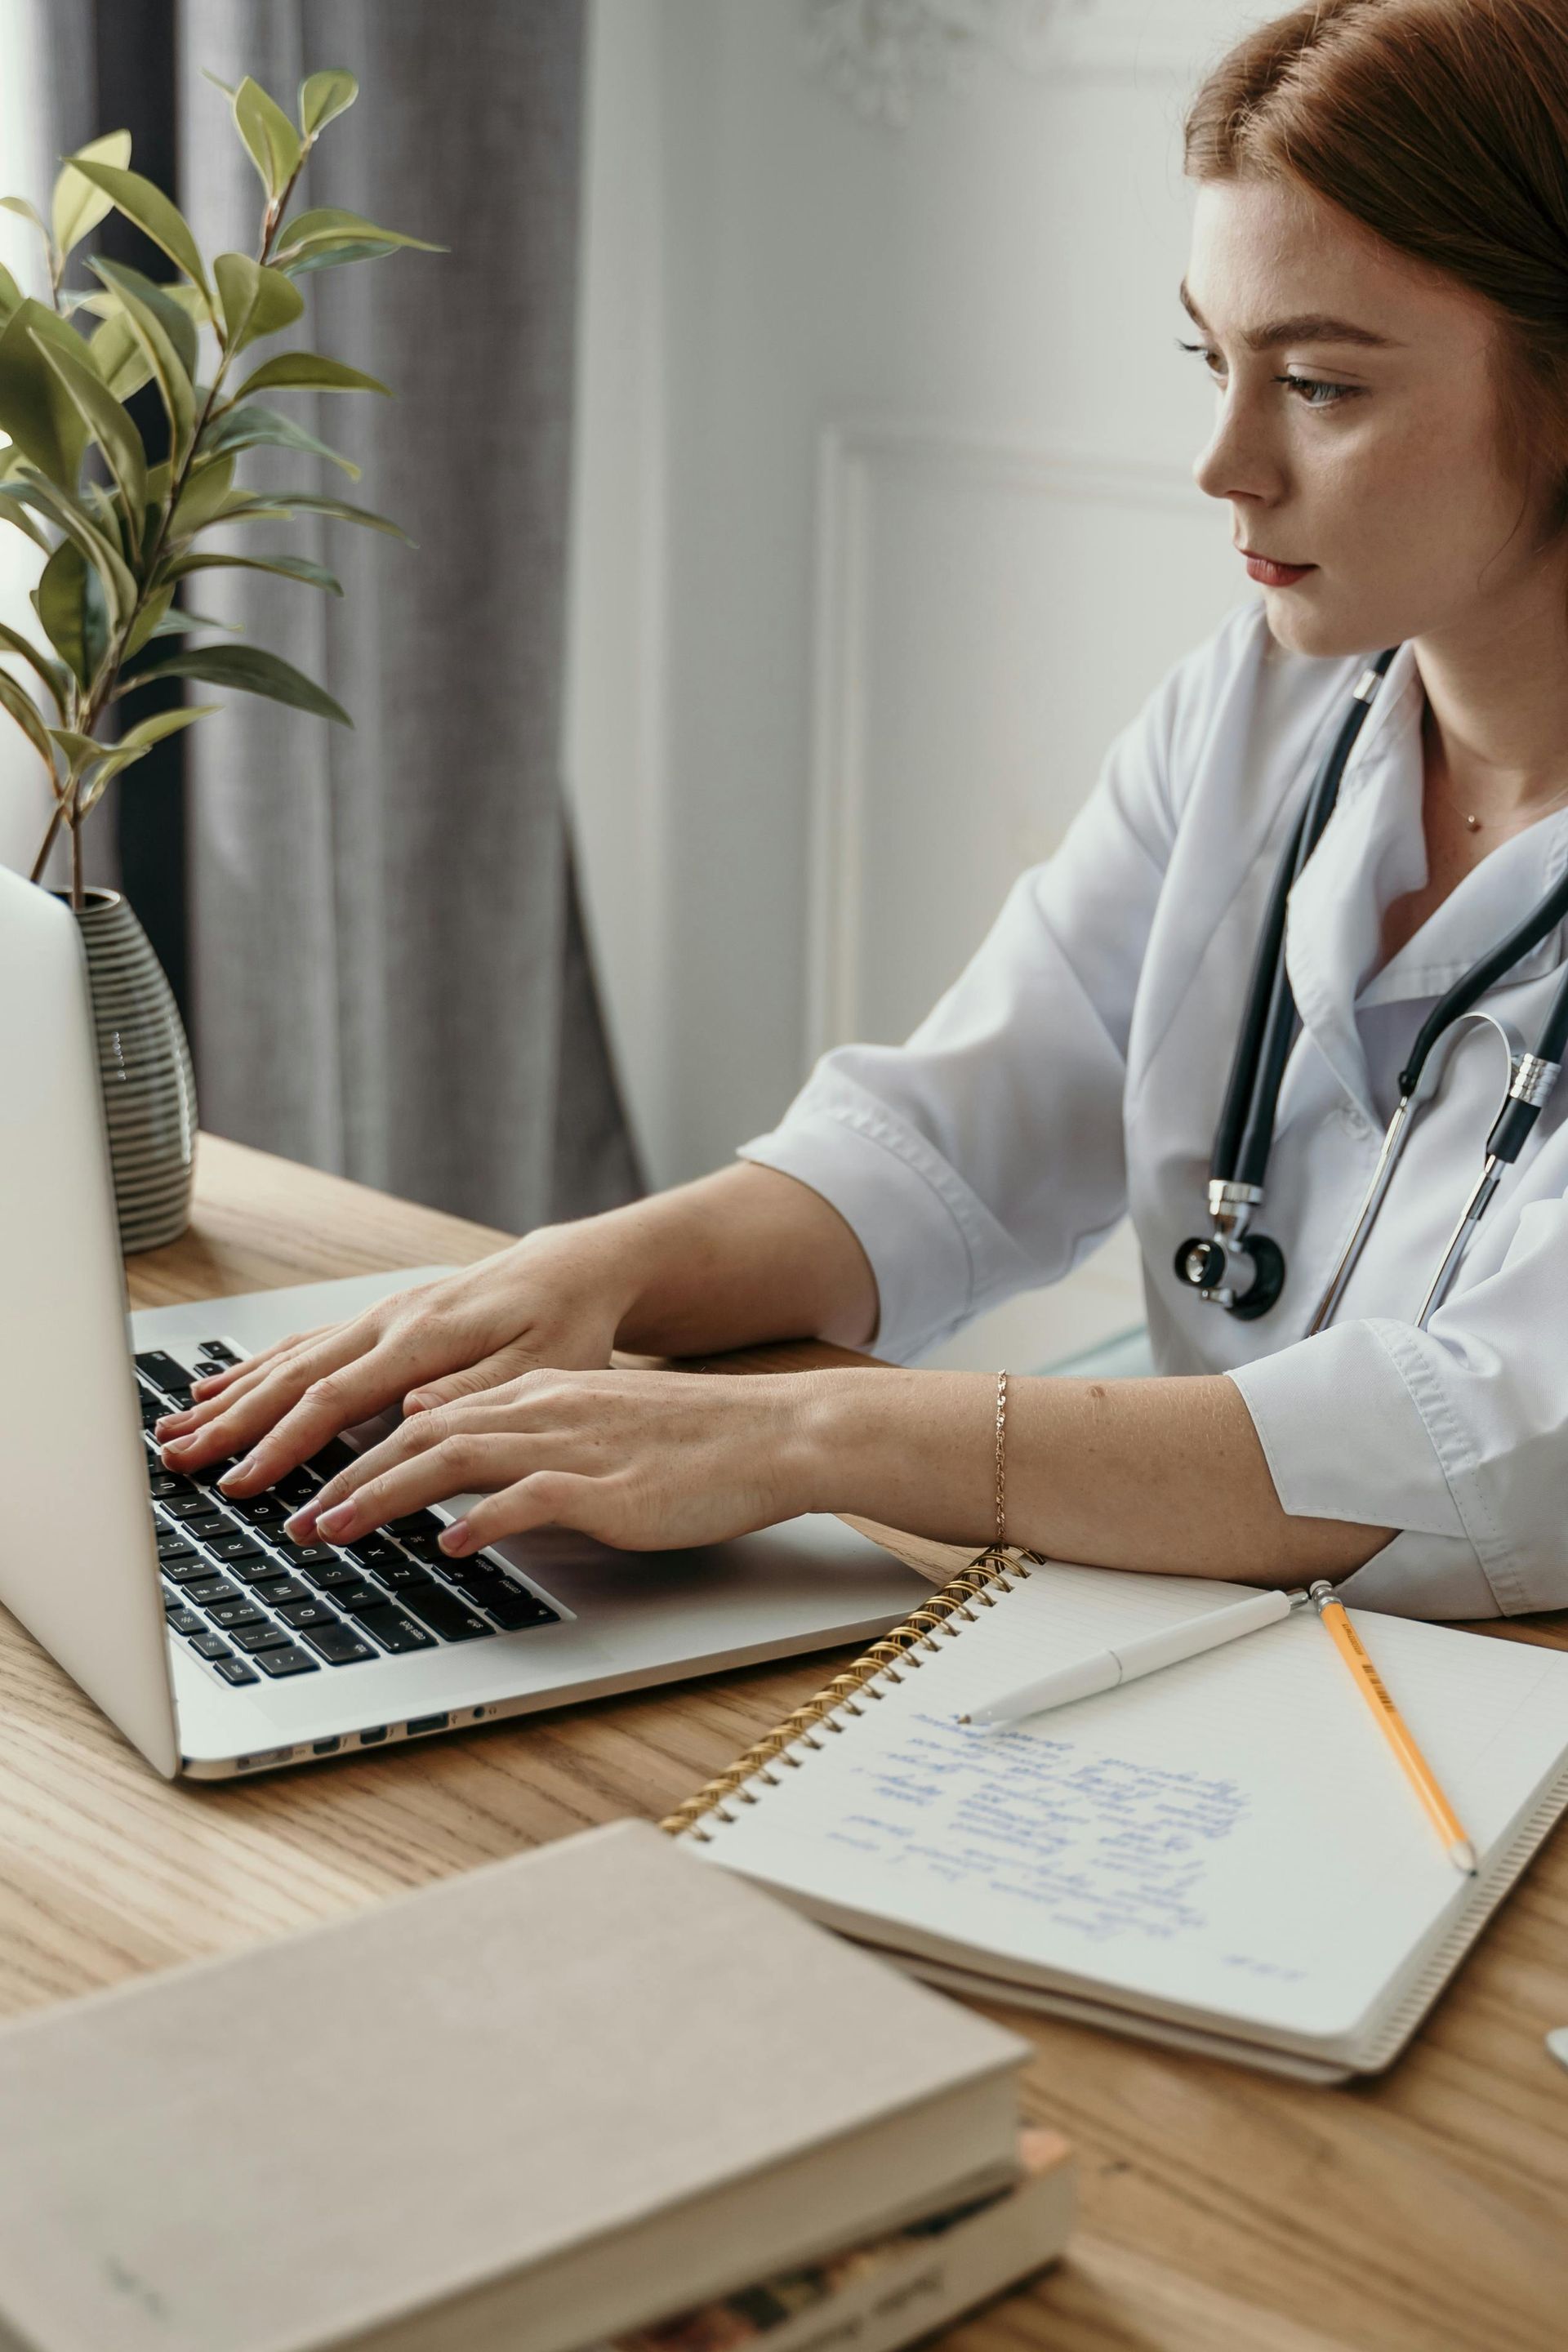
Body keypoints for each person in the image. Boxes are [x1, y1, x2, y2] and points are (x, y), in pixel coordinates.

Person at [158, 0, 1568, 1619]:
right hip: (1212, 1645)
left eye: (1318, 385)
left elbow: (1510, 1434)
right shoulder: (1257, 714)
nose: (1222, 461)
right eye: (1212, 360)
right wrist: (587, 1272)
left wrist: (812, 1430)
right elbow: (954, 1137)